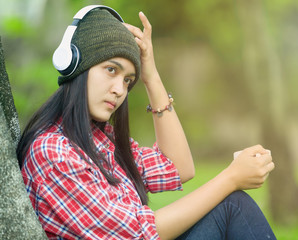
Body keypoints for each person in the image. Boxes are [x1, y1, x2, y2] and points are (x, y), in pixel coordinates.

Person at [17, 5, 276, 240]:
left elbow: (177, 167)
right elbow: (138, 233)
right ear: (75, 65)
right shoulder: (52, 151)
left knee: (232, 205)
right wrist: (230, 177)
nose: (120, 89)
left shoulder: (101, 141)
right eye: (111, 70)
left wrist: (151, 75)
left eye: (128, 80)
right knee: (232, 204)